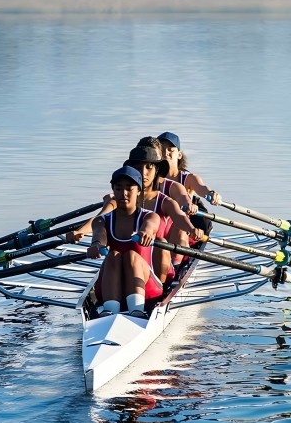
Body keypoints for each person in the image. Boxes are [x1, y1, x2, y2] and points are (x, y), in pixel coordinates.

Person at [87, 166, 163, 318]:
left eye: (130, 188)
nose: (124, 194)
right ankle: (110, 312)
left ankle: (137, 311)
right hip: (110, 290)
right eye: (119, 189)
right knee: (113, 255)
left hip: (147, 291)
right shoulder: (101, 220)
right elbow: (99, 235)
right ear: (113, 191)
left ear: (139, 191)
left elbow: (150, 226)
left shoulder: (150, 216)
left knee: (130, 256)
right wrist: (96, 245)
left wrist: (145, 233)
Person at [124, 144, 199, 282]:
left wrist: (192, 228)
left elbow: (180, 212)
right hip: (132, 262)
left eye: (149, 167)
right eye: (138, 167)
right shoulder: (122, 197)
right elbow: (100, 219)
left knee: (162, 241)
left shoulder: (168, 197)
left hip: (159, 262)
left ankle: (171, 274)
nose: (143, 173)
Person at [157, 131, 220, 205]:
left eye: (170, 150)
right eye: (162, 150)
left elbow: (201, 188)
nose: (166, 153)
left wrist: (210, 193)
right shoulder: (151, 177)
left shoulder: (189, 178)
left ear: (179, 155)